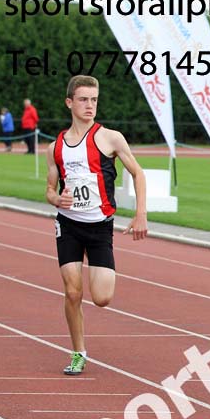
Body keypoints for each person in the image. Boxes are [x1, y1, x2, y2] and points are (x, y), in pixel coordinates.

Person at [45, 75, 148, 375]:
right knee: (73, 292)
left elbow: (138, 174)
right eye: (83, 100)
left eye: (94, 100)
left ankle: (96, 280)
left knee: (102, 298)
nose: (90, 106)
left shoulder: (110, 138)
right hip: (69, 225)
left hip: (100, 227)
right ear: (69, 103)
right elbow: (50, 189)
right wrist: (56, 200)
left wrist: (140, 213)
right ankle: (78, 352)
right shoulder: (56, 147)